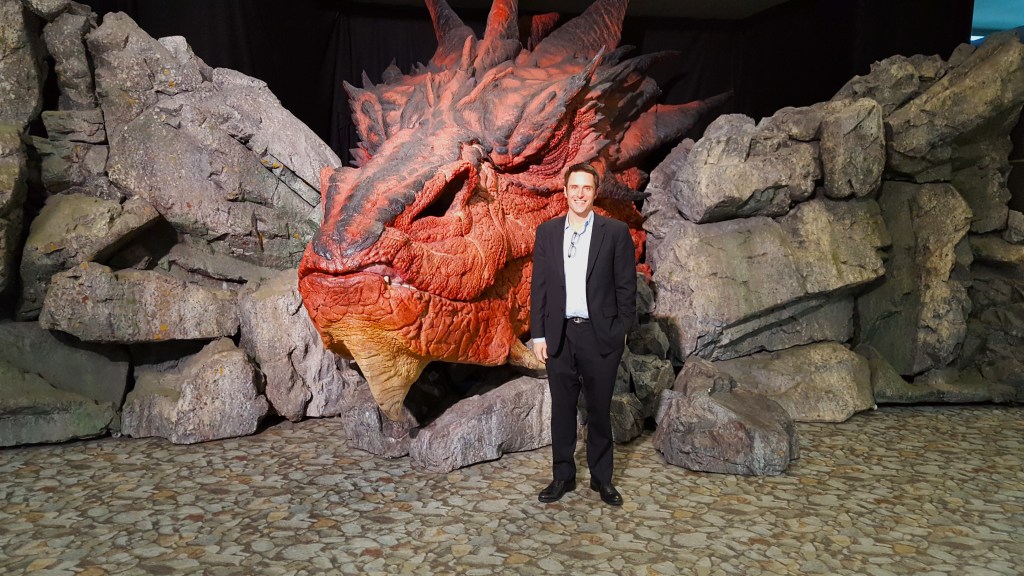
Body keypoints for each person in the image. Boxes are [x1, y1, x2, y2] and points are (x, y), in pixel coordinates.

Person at [530, 162, 637, 506]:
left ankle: (602, 479)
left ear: (594, 193)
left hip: (600, 336)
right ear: (565, 192)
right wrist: (539, 335)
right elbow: (539, 287)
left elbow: (627, 287)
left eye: (586, 188)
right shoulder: (547, 232)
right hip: (559, 335)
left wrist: (622, 332)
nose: (580, 194)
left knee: (599, 410)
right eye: (574, 187)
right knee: (562, 410)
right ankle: (562, 476)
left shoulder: (615, 232)